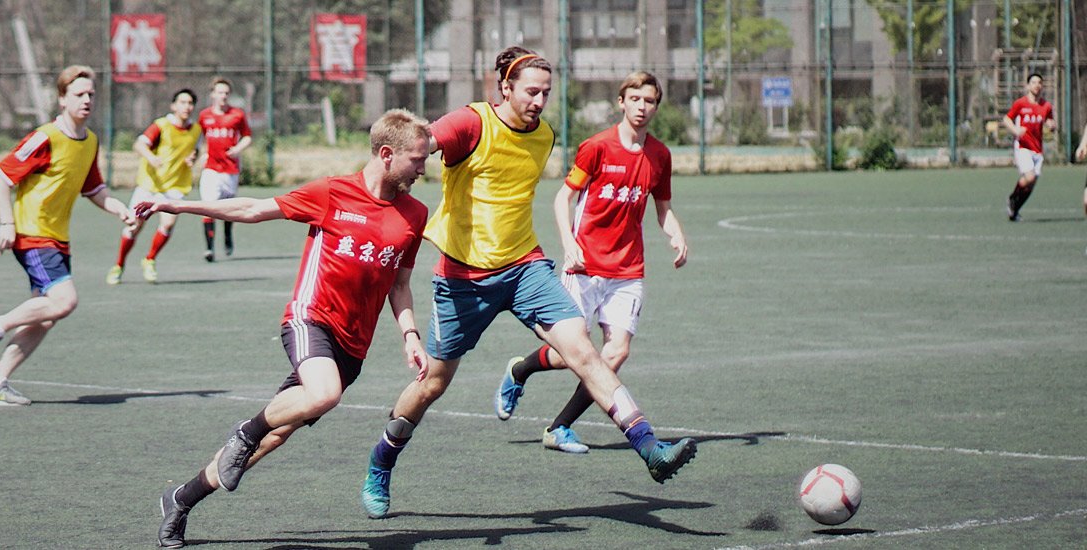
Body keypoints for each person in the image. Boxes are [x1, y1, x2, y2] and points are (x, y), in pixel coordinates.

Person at [359, 47, 697, 521]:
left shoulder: (545, 136)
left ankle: (649, 447)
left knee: (584, 350)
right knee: (432, 383)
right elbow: (416, 146)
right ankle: (381, 461)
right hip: (463, 278)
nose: (539, 101)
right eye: (531, 92)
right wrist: (376, 190)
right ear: (506, 88)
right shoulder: (470, 124)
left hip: (524, 267)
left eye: (546, 93)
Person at [143, 109, 431, 549]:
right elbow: (252, 208)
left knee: (277, 432)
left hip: (353, 347)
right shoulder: (332, 192)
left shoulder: (415, 214)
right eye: (418, 159)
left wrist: (410, 335)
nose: (424, 168)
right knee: (322, 395)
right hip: (310, 318)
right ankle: (245, 432)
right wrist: (178, 205)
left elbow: (400, 285)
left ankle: (181, 499)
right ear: (387, 154)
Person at [495, 71, 689, 454]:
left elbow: (663, 208)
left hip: (628, 270)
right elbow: (562, 198)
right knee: (571, 355)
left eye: (649, 101)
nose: (642, 107)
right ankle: (520, 369)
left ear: (656, 106)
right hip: (584, 266)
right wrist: (569, 244)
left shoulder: (660, 156)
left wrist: (676, 234)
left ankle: (559, 427)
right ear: (621, 101)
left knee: (615, 353)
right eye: (635, 99)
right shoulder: (597, 147)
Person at [0, 65, 136, 406]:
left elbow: (94, 189)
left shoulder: (90, 141)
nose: (86, 100)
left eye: (90, 94)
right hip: (32, 233)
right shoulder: (45, 137)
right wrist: (6, 223)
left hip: (57, 239)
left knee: (45, 318)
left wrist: (119, 208)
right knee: (64, 302)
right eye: (78, 94)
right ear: (61, 99)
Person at [106, 88, 202, 284]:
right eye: (182, 102)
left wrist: (192, 158)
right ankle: (119, 265)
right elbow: (139, 144)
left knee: (168, 224)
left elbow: (195, 149)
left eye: (190, 103)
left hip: (174, 186)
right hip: (150, 185)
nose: (187, 107)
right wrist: (151, 158)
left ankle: (149, 260)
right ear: (173, 106)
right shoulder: (161, 126)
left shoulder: (196, 130)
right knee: (134, 226)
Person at [197, 77, 252, 261]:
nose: (223, 96)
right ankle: (209, 248)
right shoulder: (204, 116)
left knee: (228, 209)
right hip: (211, 169)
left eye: (226, 93)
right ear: (213, 94)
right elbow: (200, 138)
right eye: (220, 92)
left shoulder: (237, 115)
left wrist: (237, 149)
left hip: (230, 170)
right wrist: (202, 153)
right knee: (208, 206)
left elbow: (247, 136)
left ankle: (227, 235)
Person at [1001, 73, 1056, 222]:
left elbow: (1049, 121)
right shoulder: (1020, 103)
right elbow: (1006, 119)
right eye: (1033, 82)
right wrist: (1015, 130)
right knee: (1029, 177)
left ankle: (1014, 212)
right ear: (1027, 86)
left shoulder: (1046, 106)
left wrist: (1051, 126)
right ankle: (1012, 198)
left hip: (1037, 149)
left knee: (1030, 186)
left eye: (1039, 83)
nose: (1037, 85)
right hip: (1023, 146)